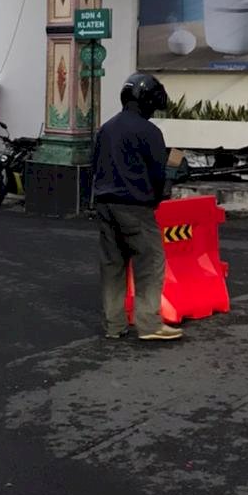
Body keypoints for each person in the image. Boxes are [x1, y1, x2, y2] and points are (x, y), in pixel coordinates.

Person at [93, 72, 183, 343]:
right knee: (150, 263)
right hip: (136, 208)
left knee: (113, 266)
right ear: (147, 102)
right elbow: (158, 174)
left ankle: (114, 325)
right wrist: (159, 194)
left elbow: (94, 165)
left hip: (105, 205)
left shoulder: (106, 128)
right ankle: (149, 324)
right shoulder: (150, 132)